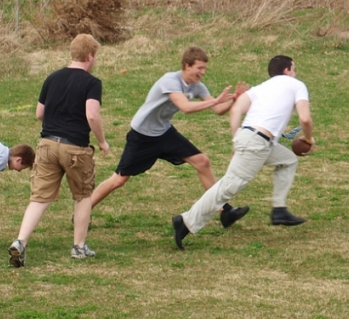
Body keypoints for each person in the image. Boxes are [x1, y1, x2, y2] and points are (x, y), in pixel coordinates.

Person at [88, 46, 250, 229]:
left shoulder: (197, 86)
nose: (203, 72)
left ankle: (224, 211)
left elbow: (218, 110)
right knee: (119, 179)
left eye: (205, 68)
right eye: (199, 68)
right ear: (187, 66)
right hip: (142, 136)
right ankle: (83, 211)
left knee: (202, 162)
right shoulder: (170, 81)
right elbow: (186, 108)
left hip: (164, 133)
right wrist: (215, 100)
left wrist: (235, 98)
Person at [171, 55, 314, 250]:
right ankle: (185, 221)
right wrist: (308, 138)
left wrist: (236, 138)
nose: (295, 73)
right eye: (294, 69)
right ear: (287, 70)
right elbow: (305, 119)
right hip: (257, 142)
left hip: (256, 140)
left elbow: (236, 109)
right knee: (229, 186)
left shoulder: (260, 88)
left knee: (287, 160)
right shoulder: (296, 84)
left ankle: (279, 209)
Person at [8, 34, 110, 267]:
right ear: (90, 56)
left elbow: (39, 114)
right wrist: (102, 141)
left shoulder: (52, 78)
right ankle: (79, 247)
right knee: (83, 195)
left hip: (47, 145)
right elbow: (92, 115)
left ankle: (21, 242)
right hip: (75, 148)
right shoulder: (91, 83)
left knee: (40, 198)